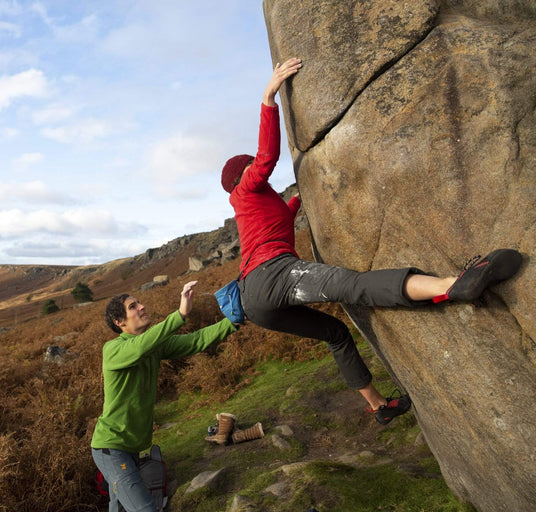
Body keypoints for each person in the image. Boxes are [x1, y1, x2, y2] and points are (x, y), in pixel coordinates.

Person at [221, 57, 522, 425]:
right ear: (242, 174)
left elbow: (291, 209)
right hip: (273, 275)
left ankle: (378, 406)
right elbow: (267, 157)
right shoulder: (245, 190)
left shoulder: (260, 205)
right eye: (250, 167)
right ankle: (451, 284)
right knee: (355, 285)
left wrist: (310, 187)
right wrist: (269, 97)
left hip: (257, 304)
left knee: (335, 333)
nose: (258, 170)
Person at [91, 281, 238, 512]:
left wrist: (232, 322)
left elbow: (195, 340)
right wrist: (180, 314)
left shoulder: (153, 345)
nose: (142, 306)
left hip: (130, 447)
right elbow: (139, 348)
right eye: (133, 306)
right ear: (120, 322)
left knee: (119, 508)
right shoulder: (113, 350)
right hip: (110, 448)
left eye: (139, 302)